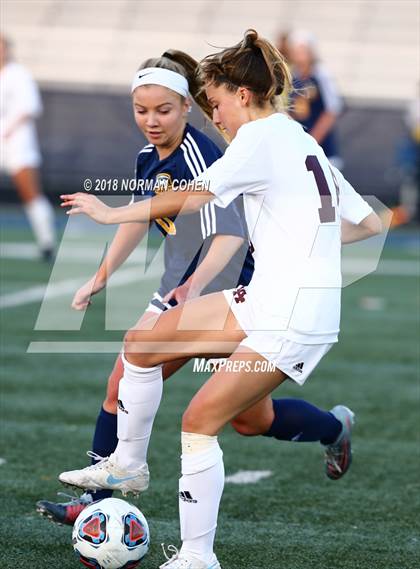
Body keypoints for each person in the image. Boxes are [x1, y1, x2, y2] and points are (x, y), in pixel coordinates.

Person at [60, 29, 382, 569]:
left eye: (216, 103)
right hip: (262, 297)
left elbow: (194, 196)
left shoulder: (260, 138)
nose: (218, 116)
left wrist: (109, 212)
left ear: (242, 93)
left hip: (292, 317)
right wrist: (301, 240)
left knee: (199, 421)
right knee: (140, 344)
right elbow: (369, 222)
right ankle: (129, 463)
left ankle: (196, 556)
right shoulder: (301, 140)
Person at [37, 50, 253, 525]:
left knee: (140, 380)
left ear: (186, 108)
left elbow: (231, 235)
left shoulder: (199, 156)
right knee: (246, 417)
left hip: (229, 290)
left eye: (163, 110)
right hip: (180, 287)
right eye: (141, 110)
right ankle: (97, 506)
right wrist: (99, 278)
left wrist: (195, 287)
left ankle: (102, 498)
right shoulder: (145, 157)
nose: (151, 121)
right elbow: (139, 220)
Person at [0, 35, 55, 260]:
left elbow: (30, 107)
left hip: (17, 144)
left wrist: (8, 130)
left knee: (30, 193)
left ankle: (46, 242)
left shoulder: (18, 75)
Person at [287, 30, 343, 169]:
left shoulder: (321, 75)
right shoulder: (292, 76)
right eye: (296, 50)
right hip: (300, 147)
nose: (299, 55)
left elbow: (332, 110)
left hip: (321, 148)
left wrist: (312, 141)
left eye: (303, 50)